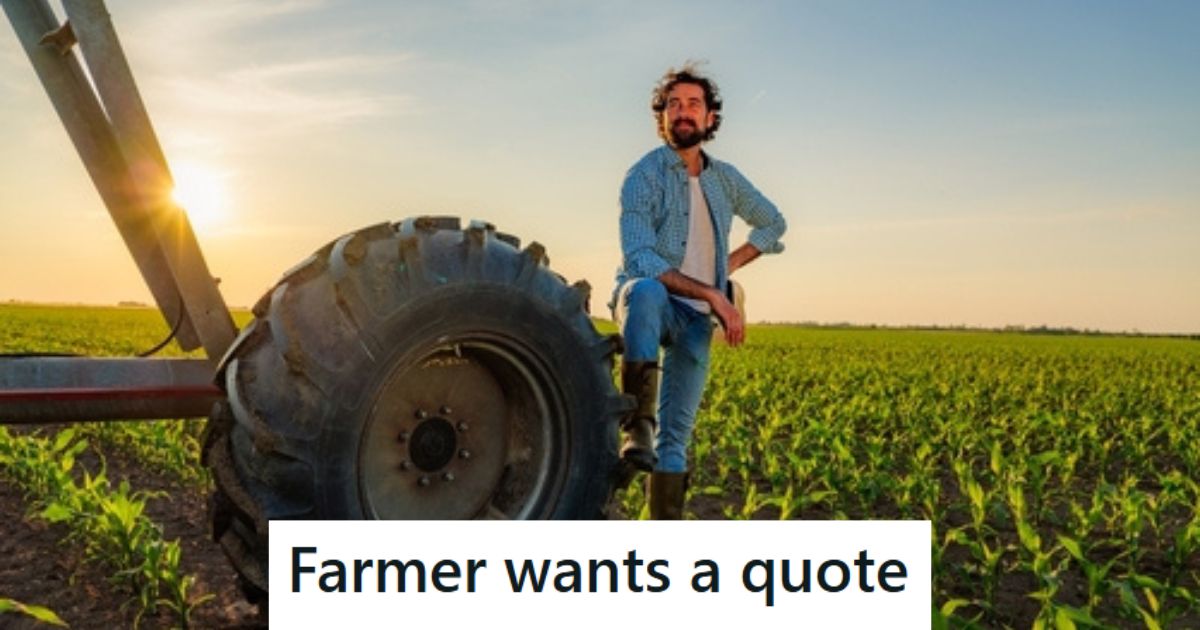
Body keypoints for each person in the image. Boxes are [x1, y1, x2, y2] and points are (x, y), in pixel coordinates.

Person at [611, 64, 787, 519]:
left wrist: (726, 267)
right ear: (662, 118)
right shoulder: (643, 175)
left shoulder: (725, 179)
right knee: (646, 290)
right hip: (650, 306)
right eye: (673, 105)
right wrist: (714, 294)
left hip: (694, 320)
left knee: (676, 441)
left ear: (710, 118)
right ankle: (637, 425)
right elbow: (639, 257)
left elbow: (773, 223)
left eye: (693, 104)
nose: (682, 112)